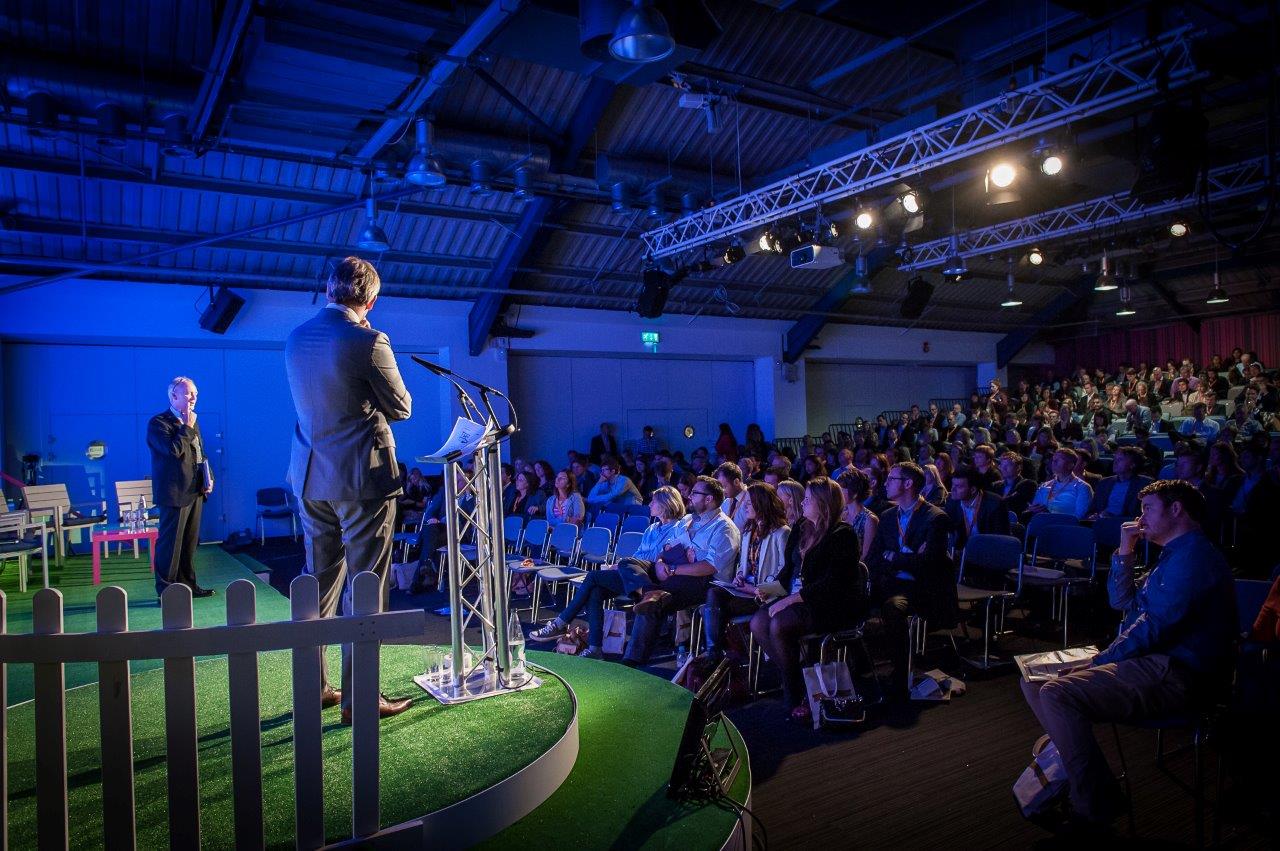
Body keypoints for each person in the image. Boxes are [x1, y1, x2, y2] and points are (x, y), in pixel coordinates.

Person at [1020, 480, 1236, 831]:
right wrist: (1125, 549)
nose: (1140, 518)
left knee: (1057, 693)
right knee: (1033, 677)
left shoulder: (1194, 557)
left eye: (1148, 509)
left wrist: (1101, 660)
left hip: (1177, 671)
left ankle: (1092, 807)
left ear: (1176, 509)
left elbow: (1154, 626)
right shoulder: (1172, 555)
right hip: (1148, 659)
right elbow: (1122, 603)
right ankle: (1087, 775)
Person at [285, 256, 412, 723]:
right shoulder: (369, 339)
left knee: (317, 585)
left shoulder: (296, 338)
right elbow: (401, 407)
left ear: (328, 289)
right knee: (366, 587)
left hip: (310, 477)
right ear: (371, 300)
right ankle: (361, 701)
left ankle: (315, 688)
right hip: (361, 478)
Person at [750, 477, 865, 721]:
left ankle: (793, 689)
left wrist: (790, 600)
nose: (803, 503)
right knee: (758, 622)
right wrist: (770, 589)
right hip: (797, 597)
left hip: (829, 603)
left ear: (823, 504)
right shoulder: (802, 526)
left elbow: (834, 582)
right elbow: (788, 572)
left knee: (779, 623)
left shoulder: (843, 534)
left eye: (809, 499)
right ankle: (797, 678)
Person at [529, 487, 688, 658]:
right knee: (595, 592)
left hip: (652, 579)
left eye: (654, 501)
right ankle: (595, 648)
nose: (649, 504)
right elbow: (639, 555)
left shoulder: (678, 528)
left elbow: (662, 556)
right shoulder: (652, 528)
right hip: (634, 572)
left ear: (665, 504)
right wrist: (622, 564)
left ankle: (560, 623)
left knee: (592, 577)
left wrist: (628, 564)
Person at [622, 476, 741, 666]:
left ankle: (632, 661)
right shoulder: (687, 520)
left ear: (709, 499)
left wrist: (674, 568)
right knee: (628, 563)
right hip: (673, 572)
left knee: (654, 604)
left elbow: (709, 567)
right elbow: (667, 548)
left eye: (695, 493)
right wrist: (660, 561)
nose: (690, 496)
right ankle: (649, 592)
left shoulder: (724, 528)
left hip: (704, 583)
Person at [866, 462, 955, 700]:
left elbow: (929, 564)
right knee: (851, 598)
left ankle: (901, 671)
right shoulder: (886, 516)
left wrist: (894, 556)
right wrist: (906, 556)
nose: (885, 483)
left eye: (891, 479)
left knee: (893, 608)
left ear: (908, 484)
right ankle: (858, 667)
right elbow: (875, 557)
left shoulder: (935, 518)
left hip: (919, 586)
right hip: (889, 581)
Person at [700, 482, 791, 662]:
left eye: (749, 502)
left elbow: (784, 573)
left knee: (715, 610)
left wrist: (754, 587)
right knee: (714, 594)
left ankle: (719, 657)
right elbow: (744, 564)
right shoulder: (749, 532)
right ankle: (716, 654)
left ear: (762, 503)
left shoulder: (782, 533)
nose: (745, 506)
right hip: (747, 590)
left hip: (767, 594)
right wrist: (740, 575)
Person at [148, 376, 215, 598]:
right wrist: (186, 426)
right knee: (170, 545)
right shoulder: (159, 423)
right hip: (174, 493)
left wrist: (209, 477)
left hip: (195, 491)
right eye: (188, 393)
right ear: (174, 396)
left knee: (188, 543)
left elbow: (199, 453)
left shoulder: (193, 422)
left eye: (195, 393)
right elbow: (173, 452)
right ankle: (167, 592)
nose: (194, 397)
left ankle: (188, 586)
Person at [945, 467, 1010, 550]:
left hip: (989, 551)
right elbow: (950, 531)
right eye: (953, 484)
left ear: (973, 490)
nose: (952, 489)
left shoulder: (995, 504)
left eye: (958, 486)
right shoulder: (952, 502)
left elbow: (1000, 539)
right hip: (963, 551)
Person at [1086, 446, 1153, 520]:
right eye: (1115, 459)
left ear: (1132, 465)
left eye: (1120, 459)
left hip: (1128, 525)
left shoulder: (1145, 484)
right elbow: (1091, 510)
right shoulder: (1104, 483)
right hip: (1102, 523)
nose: (1115, 462)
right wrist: (1093, 516)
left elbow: (1147, 514)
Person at [1027, 448, 1093, 519]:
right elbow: (1035, 508)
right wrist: (1033, 509)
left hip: (1065, 527)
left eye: (1059, 460)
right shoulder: (1045, 485)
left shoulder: (1082, 487)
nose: (1053, 462)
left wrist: (1052, 516)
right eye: (1053, 459)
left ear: (1070, 465)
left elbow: (1079, 517)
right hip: (1042, 524)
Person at [838, 468, 879, 563]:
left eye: (842, 489)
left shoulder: (869, 519)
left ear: (855, 492)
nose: (838, 492)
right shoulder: (841, 514)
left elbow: (866, 555)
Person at [716, 461, 751, 530]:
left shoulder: (751, 501)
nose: (722, 491)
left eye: (724, 486)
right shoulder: (726, 502)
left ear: (736, 482)